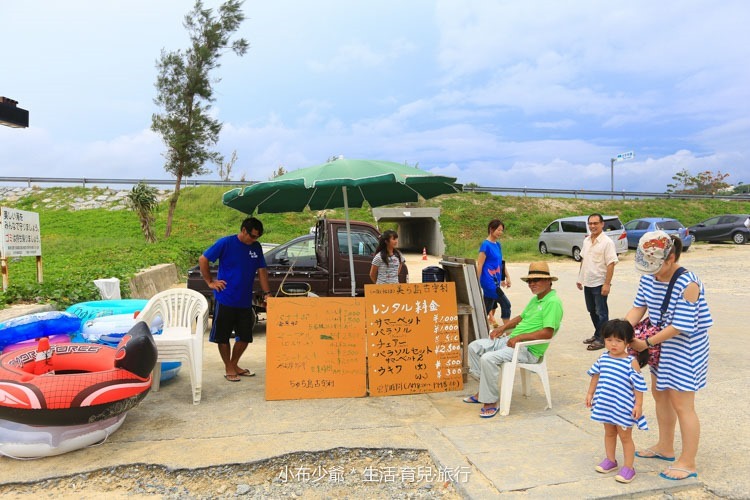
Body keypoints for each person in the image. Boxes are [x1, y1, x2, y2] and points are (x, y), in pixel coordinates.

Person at [625, 231, 712, 481]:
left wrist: (646, 343)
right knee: (660, 395)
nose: (651, 271)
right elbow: (638, 307)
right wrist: (621, 331)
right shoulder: (649, 277)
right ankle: (665, 446)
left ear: (671, 257)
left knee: (682, 404)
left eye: (656, 265)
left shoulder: (689, 284)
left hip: (685, 349)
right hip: (659, 348)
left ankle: (688, 461)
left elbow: (680, 325)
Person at [463, 262, 563, 418]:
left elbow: (547, 333)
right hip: (512, 341)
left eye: (536, 280)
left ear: (548, 281)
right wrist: (502, 328)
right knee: (474, 347)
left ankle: (490, 401)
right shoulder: (536, 299)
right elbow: (520, 317)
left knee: (488, 358)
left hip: (527, 349)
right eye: (530, 281)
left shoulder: (553, 302)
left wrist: (520, 337)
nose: (532, 284)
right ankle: (484, 390)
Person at [199, 217, 271, 382]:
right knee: (223, 337)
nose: (254, 240)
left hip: (245, 300)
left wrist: (267, 292)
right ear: (244, 230)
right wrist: (210, 281)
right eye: (252, 236)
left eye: (257, 237)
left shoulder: (256, 247)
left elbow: (262, 270)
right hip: (226, 298)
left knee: (245, 337)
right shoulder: (225, 243)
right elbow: (203, 259)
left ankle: (234, 364)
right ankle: (228, 366)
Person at [586, 319, 649, 484]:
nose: (613, 344)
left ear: (628, 342)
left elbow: (639, 386)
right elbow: (595, 375)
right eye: (609, 340)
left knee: (625, 437)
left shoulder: (631, 362)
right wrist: (590, 394)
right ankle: (611, 460)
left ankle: (629, 467)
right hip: (606, 404)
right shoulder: (603, 357)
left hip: (623, 407)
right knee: (609, 432)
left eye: (618, 341)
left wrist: (638, 405)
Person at [578, 213, 618, 351]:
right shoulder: (587, 240)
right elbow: (583, 260)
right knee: (592, 310)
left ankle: (603, 339)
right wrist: (580, 278)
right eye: (590, 223)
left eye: (595, 223)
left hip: (600, 282)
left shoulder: (607, 242)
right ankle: (598, 334)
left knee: (602, 312)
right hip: (588, 282)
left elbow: (611, 264)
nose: (592, 226)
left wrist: (607, 284)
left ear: (602, 224)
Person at [476, 219, 511, 328]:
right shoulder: (485, 245)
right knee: (506, 304)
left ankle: (477, 328)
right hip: (488, 281)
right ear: (491, 229)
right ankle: (507, 329)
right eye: (498, 230)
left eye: (502, 230)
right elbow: (480, 264)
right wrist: (476, 282)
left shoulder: (498, 245)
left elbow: (500, 263)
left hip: (495, 281)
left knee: (487, 307)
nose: (500, 232)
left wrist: (506, 277)